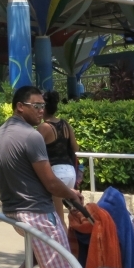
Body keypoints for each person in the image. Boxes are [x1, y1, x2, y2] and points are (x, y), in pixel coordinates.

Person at [0, 85, 83, 268]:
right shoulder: (31, 136)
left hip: (13, 210)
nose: (41, 110)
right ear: (20, 107)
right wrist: (72, 194)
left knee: (44, 252)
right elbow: (51, 183)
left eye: (43, 105)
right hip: (37, 212)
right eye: (36, 106)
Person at [38, 90, 80, 227]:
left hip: (56, 174)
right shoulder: (66, 124)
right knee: (69, 214)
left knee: (59, 218)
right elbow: (76, 148)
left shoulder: (43, 127)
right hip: (70, 173)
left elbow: (33, 150)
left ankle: (64, 247)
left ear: (43, 108)